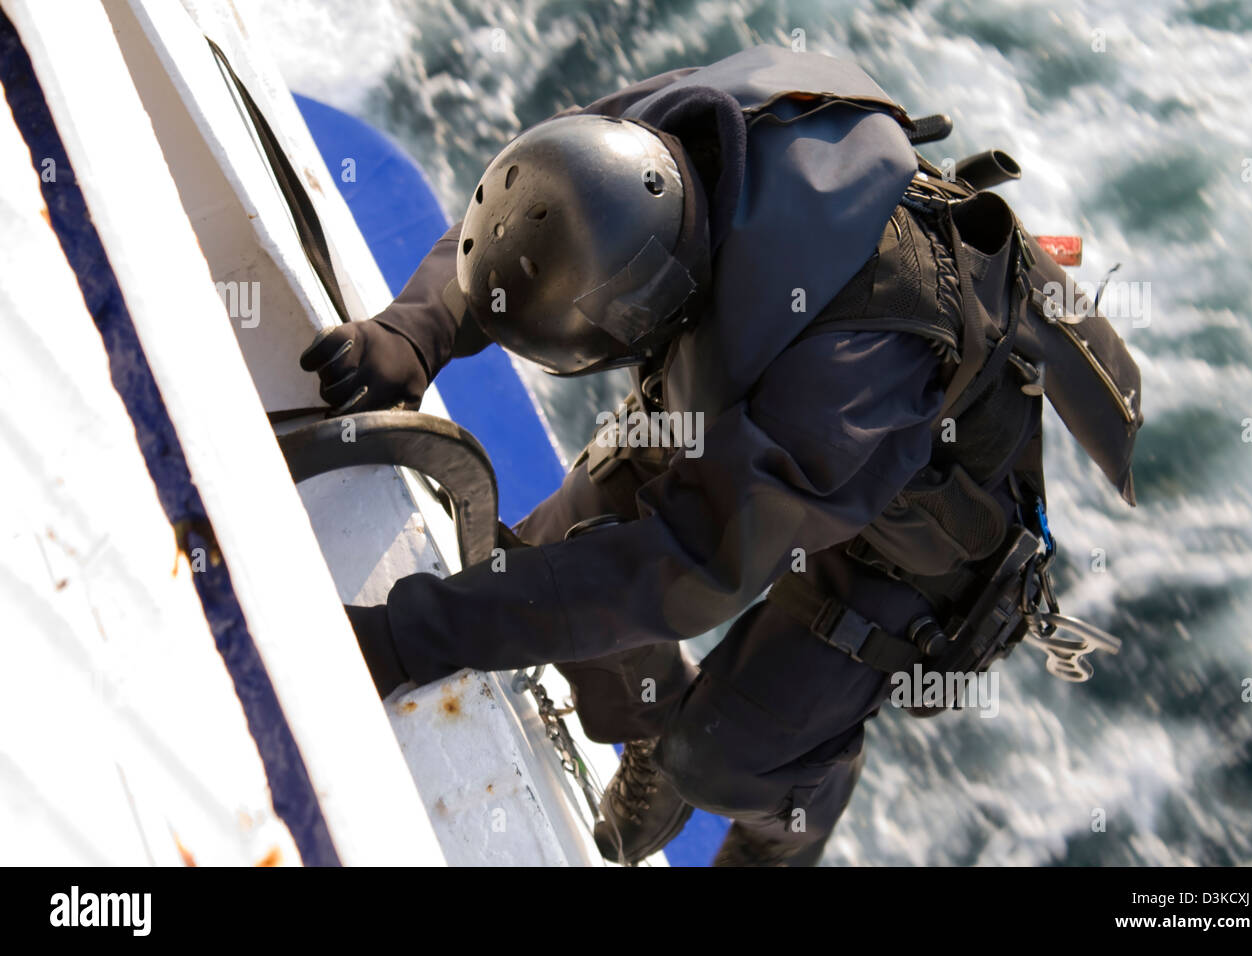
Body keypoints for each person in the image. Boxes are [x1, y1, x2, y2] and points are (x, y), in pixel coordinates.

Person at [302, 45, 1142, 866]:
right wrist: (416, 331)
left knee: (720, 760)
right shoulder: (678, 136)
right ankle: (649, 723)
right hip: (758, 391)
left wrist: (403, 639)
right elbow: (534, 207)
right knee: (557, 560)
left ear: (654, 305)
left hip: (917, 528)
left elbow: (688, 568)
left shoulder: (845, 364)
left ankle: (790, 823)